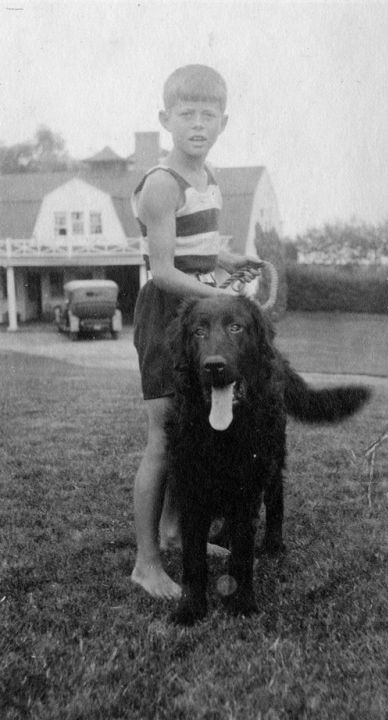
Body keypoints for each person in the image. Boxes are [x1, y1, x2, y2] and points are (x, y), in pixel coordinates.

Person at [131, 64, 263, 599]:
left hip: (197, 311)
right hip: (167, 316)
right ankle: (146, 562)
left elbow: (196, 249)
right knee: (164, 436)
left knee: (188, 432)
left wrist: (226, 258)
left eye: (209, 114)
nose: (198, 124)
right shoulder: (163, 185)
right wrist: (220, 297)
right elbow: (163, 272)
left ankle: (171, 529)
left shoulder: (210, 180)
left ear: (224, 122)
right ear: (166, 119)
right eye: (187, 114)